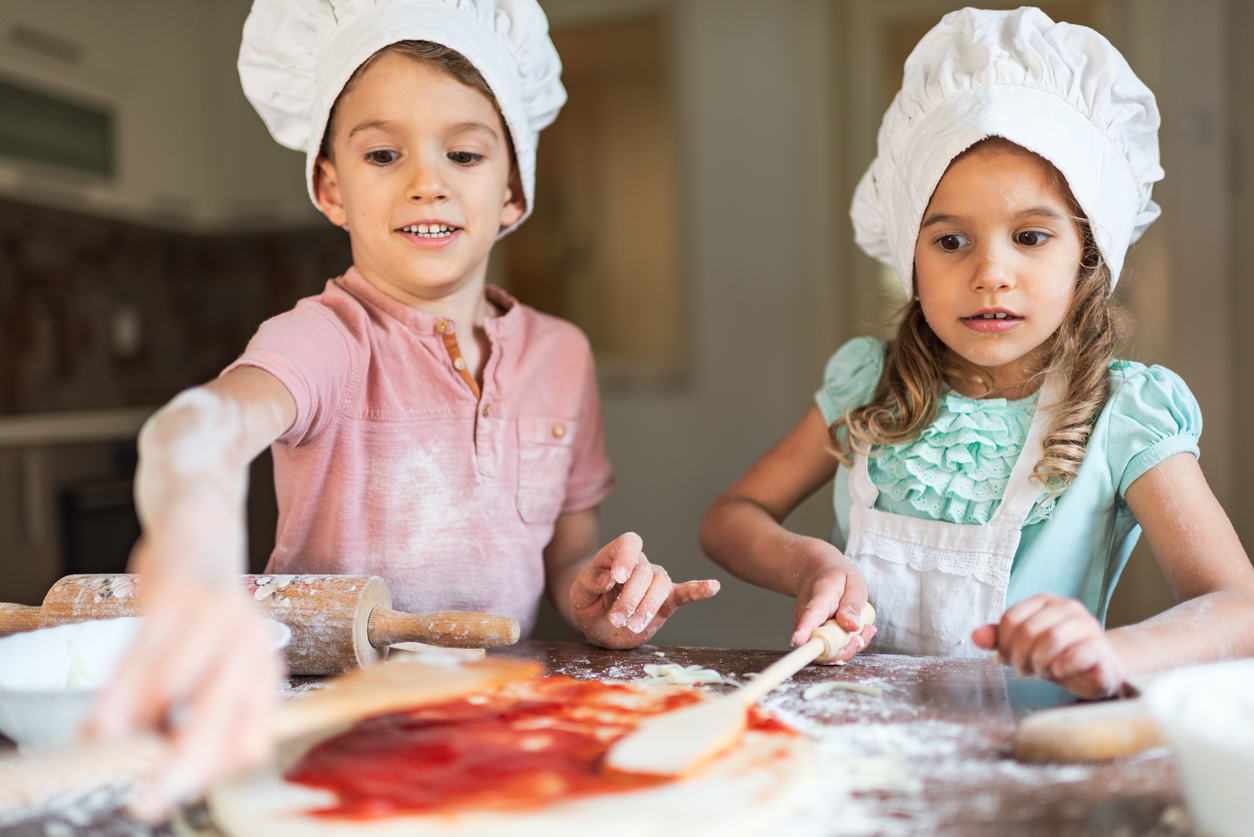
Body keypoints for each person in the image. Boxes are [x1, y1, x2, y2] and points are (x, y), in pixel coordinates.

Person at [87, 0, 718, 819]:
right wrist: (191, 536)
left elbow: (567, 555)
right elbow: (194, 430)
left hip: (494, 724)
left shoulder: (563, 355)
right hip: (313, 730)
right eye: (383, 153)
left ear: (513, 190)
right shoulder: (326, 338)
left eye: (463, 151)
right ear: (331, 187)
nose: (428, 180)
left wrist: (594, 599)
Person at [701, 8, 1254, 695]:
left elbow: (1239, 607)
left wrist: (1113, 650)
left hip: (1027, 778)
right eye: (951, 240)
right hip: (859, 763)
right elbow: (730, 519)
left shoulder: (1126, 413)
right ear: (911, 258)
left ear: (1088, 253)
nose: (990, 271)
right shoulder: (866, 387)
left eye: (1030, 236)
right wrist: (808, 562)